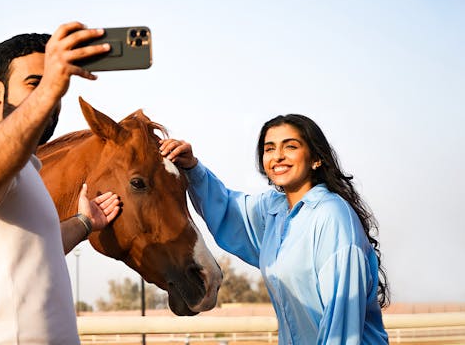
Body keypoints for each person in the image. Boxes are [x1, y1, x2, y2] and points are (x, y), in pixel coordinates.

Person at [0, 22, 121, 345]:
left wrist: (84, 222)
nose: (51, 97)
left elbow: (38, 246)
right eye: (34, 83)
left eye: (53, 85)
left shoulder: (24, 172)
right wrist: (52, 87)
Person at [160, 114, 390, 344]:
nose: (278, 156)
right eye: (269, 149)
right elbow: (229, 209)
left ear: (316, 158)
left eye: (290, 146)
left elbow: (341, 322)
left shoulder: (331, 217)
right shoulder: (274, 211)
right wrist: (191, 167)